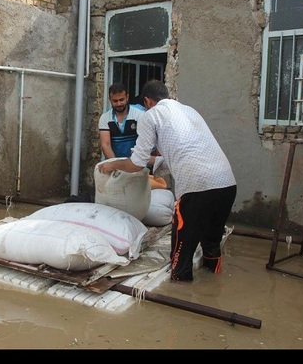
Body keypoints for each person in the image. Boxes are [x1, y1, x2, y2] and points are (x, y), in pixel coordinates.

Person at [97, 79, 236, 282]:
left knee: (181, 256)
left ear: (147, 101)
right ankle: (213, 287)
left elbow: (137, 163)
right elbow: (182, 153)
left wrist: (113, 165)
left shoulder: (150, 115)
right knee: (211, 242)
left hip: (196, 188)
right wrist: (152, 162)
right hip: (226, 184)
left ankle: (181, 294)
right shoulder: (189, 111)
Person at [98, 82, 145, 159]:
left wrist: (132, 164)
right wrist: (116, 165)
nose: (119, 103)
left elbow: (143, 142)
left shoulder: (139, 115)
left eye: (121, 100)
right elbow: (105, 145)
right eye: (115, 101)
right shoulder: (105, 118)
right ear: (110, 100)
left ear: (127, 97)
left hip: (136, 163)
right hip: (115, 163)